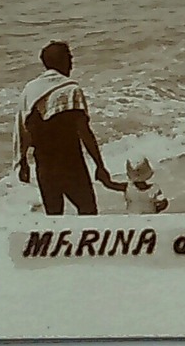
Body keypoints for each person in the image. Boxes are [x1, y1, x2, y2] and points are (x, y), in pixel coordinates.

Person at [15, 42, 125, 216]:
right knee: (88, 211)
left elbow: (24, 128)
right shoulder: (70, 90)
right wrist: (100, 166)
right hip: (70, 162)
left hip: (44, 163)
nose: (72, 64)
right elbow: (84, 131)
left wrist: (22, 162)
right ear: (63, 62)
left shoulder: (31, 89)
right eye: (69, 59)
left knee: (54, 217)